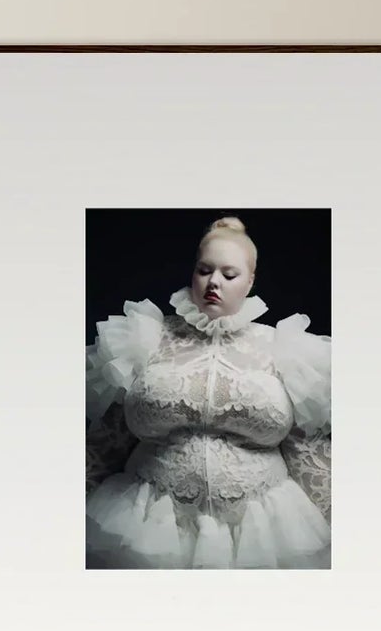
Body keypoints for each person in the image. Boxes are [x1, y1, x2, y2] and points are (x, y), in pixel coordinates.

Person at [85, 215, 331, 569]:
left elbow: (306, 449)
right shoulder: (144, 339)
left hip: (265, 531)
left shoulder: (284, 349)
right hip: (145, 525)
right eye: (204, 270)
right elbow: (107, 441)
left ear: (250, 281)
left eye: (229, 274)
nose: (214, 282)